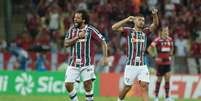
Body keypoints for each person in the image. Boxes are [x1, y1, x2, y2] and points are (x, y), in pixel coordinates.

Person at [112, 9, 159, 101]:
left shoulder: (145, 32)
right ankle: (119, 99)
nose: (142, 22)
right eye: (139, 20)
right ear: (134, 21)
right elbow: (114, 27)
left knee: (144, 86)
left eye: (143, 21)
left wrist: (154, 15)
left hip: (142, 65)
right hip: (131, 65)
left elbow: (155, 25)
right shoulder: (128, 31)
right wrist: (127, 19)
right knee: (127, 87)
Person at [64, 9, 108, 101]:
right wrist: (78, 37)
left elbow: (103, 42)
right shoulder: (71, 29)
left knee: (87, 84)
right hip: (73, 62)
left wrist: (105, 57)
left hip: (87, 63)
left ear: (83, 20)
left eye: (78, 18)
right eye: (75, 17)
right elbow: (66, 44)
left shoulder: (90, 30)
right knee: (68, 84)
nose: (75, 19)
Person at [147, 27, 174, 101]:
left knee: (167, 80)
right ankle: (156, 97)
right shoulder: (157, 40)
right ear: (161, 32)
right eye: (165, 31)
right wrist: (155, 57)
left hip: (167, 63)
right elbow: (149, 49)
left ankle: (167, 97)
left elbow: (172, 48)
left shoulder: (170, 39)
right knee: (159, 80)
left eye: (167, 31)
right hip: (160, 64)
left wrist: (170, 55)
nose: (167, 32)